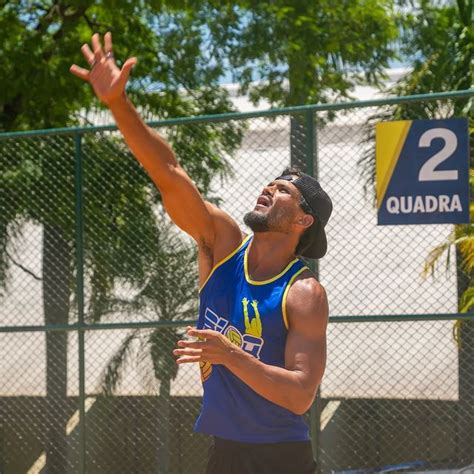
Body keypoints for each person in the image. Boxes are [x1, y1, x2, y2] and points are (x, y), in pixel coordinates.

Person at [71, 33, 332, 474]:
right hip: (223, 451)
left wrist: (231, 355)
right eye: (271, 182)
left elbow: (300, 395)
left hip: (281, 456)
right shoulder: (222, 243)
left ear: (304, 220)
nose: (269, 187)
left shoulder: (303, 292)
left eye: (284, 189)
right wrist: (118, 104)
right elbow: (169, 173)